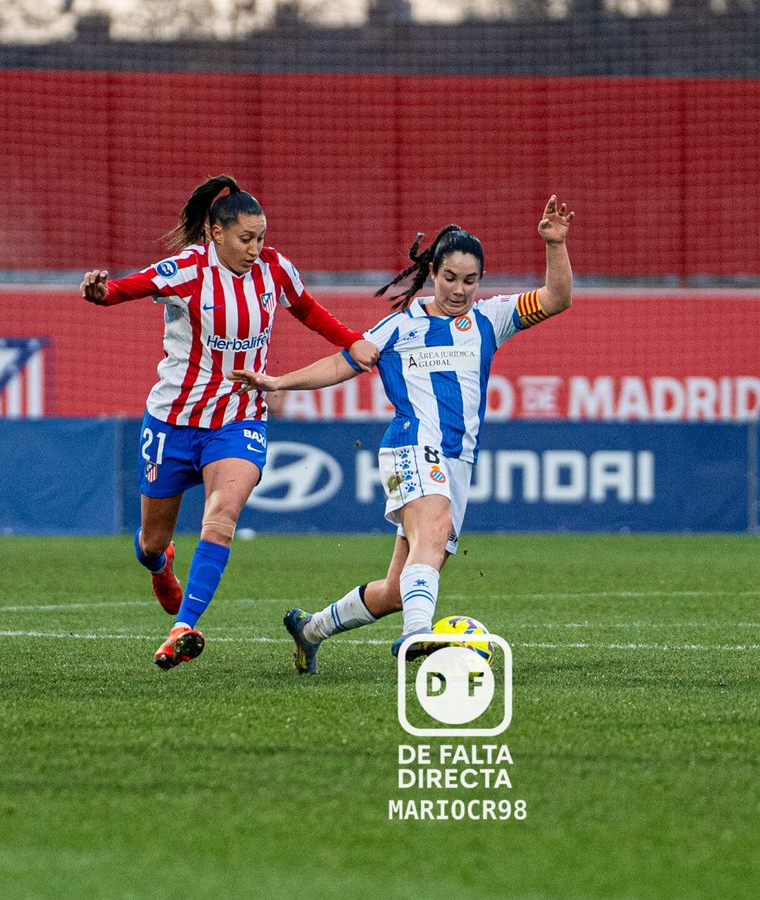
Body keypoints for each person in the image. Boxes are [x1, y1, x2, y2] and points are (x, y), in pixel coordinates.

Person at [231, 196, 575, 674]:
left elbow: (557, 299)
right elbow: (343, 361)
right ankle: (418, 637)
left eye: (470, 280)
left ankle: (310, 630)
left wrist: (554, 245)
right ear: (433, 271)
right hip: (410, 447)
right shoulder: (400, 325)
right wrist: (279, 381)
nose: (459, 290)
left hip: (456, 463)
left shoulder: (490, 319)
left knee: (398, 589)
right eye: (450, 278)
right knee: (432, 537)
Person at [80, 174, 380, 672]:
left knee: (220, 518)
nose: (256, 248)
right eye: (246, 238)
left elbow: (307, 309)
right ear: (216, 234)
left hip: (239, 418)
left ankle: (184, 626)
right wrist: (98, 291)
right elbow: (123, 289)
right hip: (173, 421)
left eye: (261, 237)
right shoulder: (187, 270)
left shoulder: (275, 269)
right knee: (150, 543)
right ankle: (160, 566)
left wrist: (351, 340)